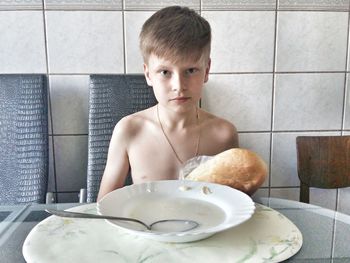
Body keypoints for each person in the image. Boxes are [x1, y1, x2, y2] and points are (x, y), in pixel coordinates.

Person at [97, 6, 245, 201]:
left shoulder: (224, 134)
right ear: (148, 74)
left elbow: (235, 203)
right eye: (165, 72)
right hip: (145, 229)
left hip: (206, 230)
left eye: (191, 70)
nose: (179, 86)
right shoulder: (129, 130)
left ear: (207, 70)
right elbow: (104, 205)